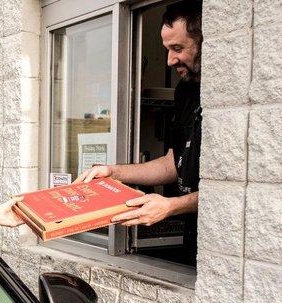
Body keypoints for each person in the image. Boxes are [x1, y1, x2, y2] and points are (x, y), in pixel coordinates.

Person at [74, 1, 202, 266]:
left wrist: (171, 206)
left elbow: (235, 191)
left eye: (178, 48)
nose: (169, 60)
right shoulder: (185, 91)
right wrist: (112, 172)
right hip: (193, 242)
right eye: (167, 49)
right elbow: (173, 163)